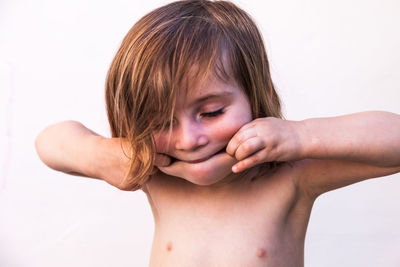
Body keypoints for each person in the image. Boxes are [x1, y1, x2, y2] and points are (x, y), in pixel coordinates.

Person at [34, 0, 400, 266]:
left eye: (211, 112)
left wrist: (300, 135)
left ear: (258, 96)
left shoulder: (292, 175)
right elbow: (49, 143)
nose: (188, 139)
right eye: (160, 122)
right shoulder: (157, 175)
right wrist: (105, 156)